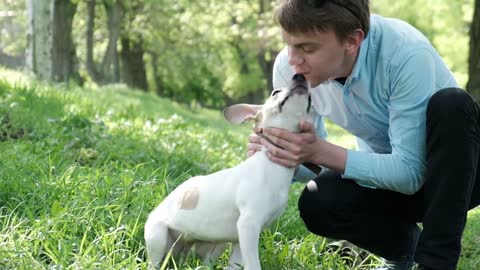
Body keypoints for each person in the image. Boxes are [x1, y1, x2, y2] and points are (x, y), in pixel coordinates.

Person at [247, 0, 480, 269]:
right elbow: (313, 166)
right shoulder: (289, 69)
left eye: (307, 48)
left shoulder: (405, 53)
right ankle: (402, 250)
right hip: (391, 180)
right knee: (319, 199)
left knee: (453, 104)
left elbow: (411, 173)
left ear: (352, 41)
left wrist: (318, 150)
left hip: (460, 175)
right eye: (289, 44)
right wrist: (280, 153)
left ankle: (435, 263)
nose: (293, 60)